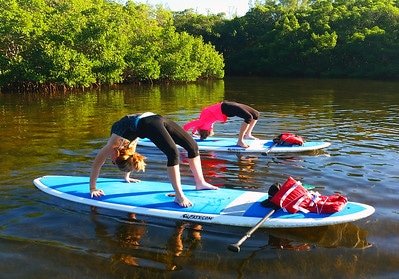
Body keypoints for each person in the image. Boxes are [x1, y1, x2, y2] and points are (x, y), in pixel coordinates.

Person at [89, 112, 218, 207]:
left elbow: (96, 165)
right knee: (173, 153)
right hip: (152, 121)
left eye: (112, 161)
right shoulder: (126, 148)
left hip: (153, 120)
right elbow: (130, 157)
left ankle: (200, 183)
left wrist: (93, 188)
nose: (110, 159)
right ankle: (179, 195)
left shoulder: (112, 144)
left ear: (116, 157)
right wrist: (126, 177)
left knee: (193, 147)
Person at [183, 101, 259, 148]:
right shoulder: (203, 124)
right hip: (225, 108)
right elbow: (195, 125)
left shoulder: (202, 122)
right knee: (250, 116)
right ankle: (241, 140)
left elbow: (188, 125)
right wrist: (193, 133)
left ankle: (246, 136)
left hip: (225, 107)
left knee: (255, 114)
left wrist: (183, 135)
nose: (211, 131)